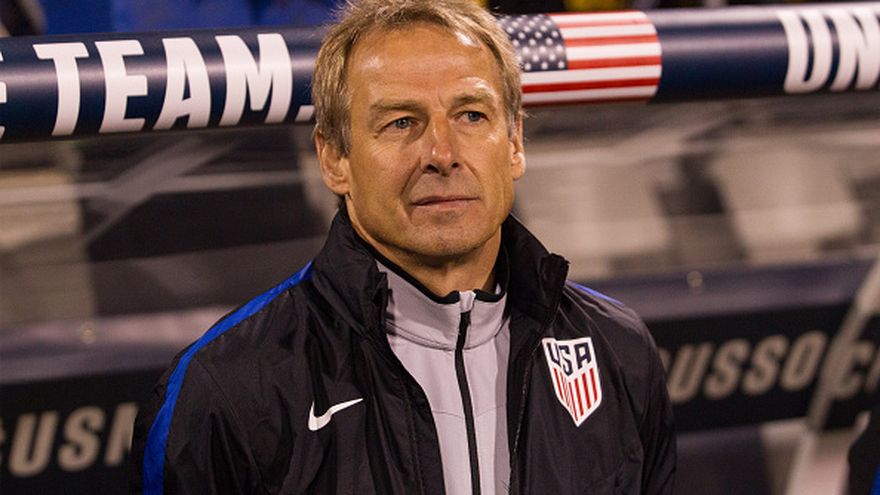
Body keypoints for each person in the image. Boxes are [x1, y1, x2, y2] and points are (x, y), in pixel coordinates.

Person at [130, 0, 676, 493]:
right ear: (335, 158)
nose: (442, 153)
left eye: (471, 115)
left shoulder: (617, 350)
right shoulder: (225, 388)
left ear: (514, 142)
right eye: (400, 123)